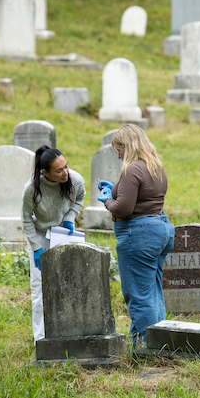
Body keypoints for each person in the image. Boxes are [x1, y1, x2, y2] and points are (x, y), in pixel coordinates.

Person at [99, 124, 174, 347]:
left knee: (139, 297)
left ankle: (144, 348)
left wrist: (107, 200)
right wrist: (115, 188)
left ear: (128, 146)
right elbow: (143, 196)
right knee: (153, 292)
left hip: (138, 235)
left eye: (119, 149)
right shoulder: (155, 166)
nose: (118, 155)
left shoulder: (131, 170)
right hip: (159, 229)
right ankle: (159, 342)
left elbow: (123, 209)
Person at [22, 146, 85, 343]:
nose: (65, 172)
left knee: (69, 284)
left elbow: (80, 198)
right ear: (45, 172)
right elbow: (26, 220)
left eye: (66, 166)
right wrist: (36, 248)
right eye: (59, 170)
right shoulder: (32, 189)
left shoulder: (75, 180)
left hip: (63, 234)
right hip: (41, 235)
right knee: (40, 288)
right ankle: (40, 339)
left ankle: (68, 333)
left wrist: (70, 217)